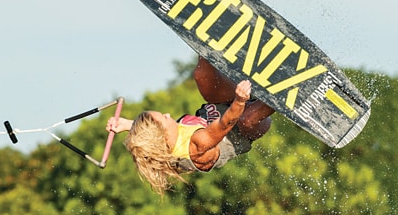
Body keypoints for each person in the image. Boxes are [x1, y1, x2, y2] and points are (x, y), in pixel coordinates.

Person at [106, 56, 275, 194]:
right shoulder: (197, 147)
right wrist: (240, 100)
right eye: (164, 118)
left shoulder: (162, 142)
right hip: (244, 126)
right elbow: (226, 123)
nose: (168, 115)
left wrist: (128, 124)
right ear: (163, 136)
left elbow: (149, 136)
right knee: (248, 118)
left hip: (223, 103)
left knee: (201, 74)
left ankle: (209, 39)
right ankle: (281, 92)